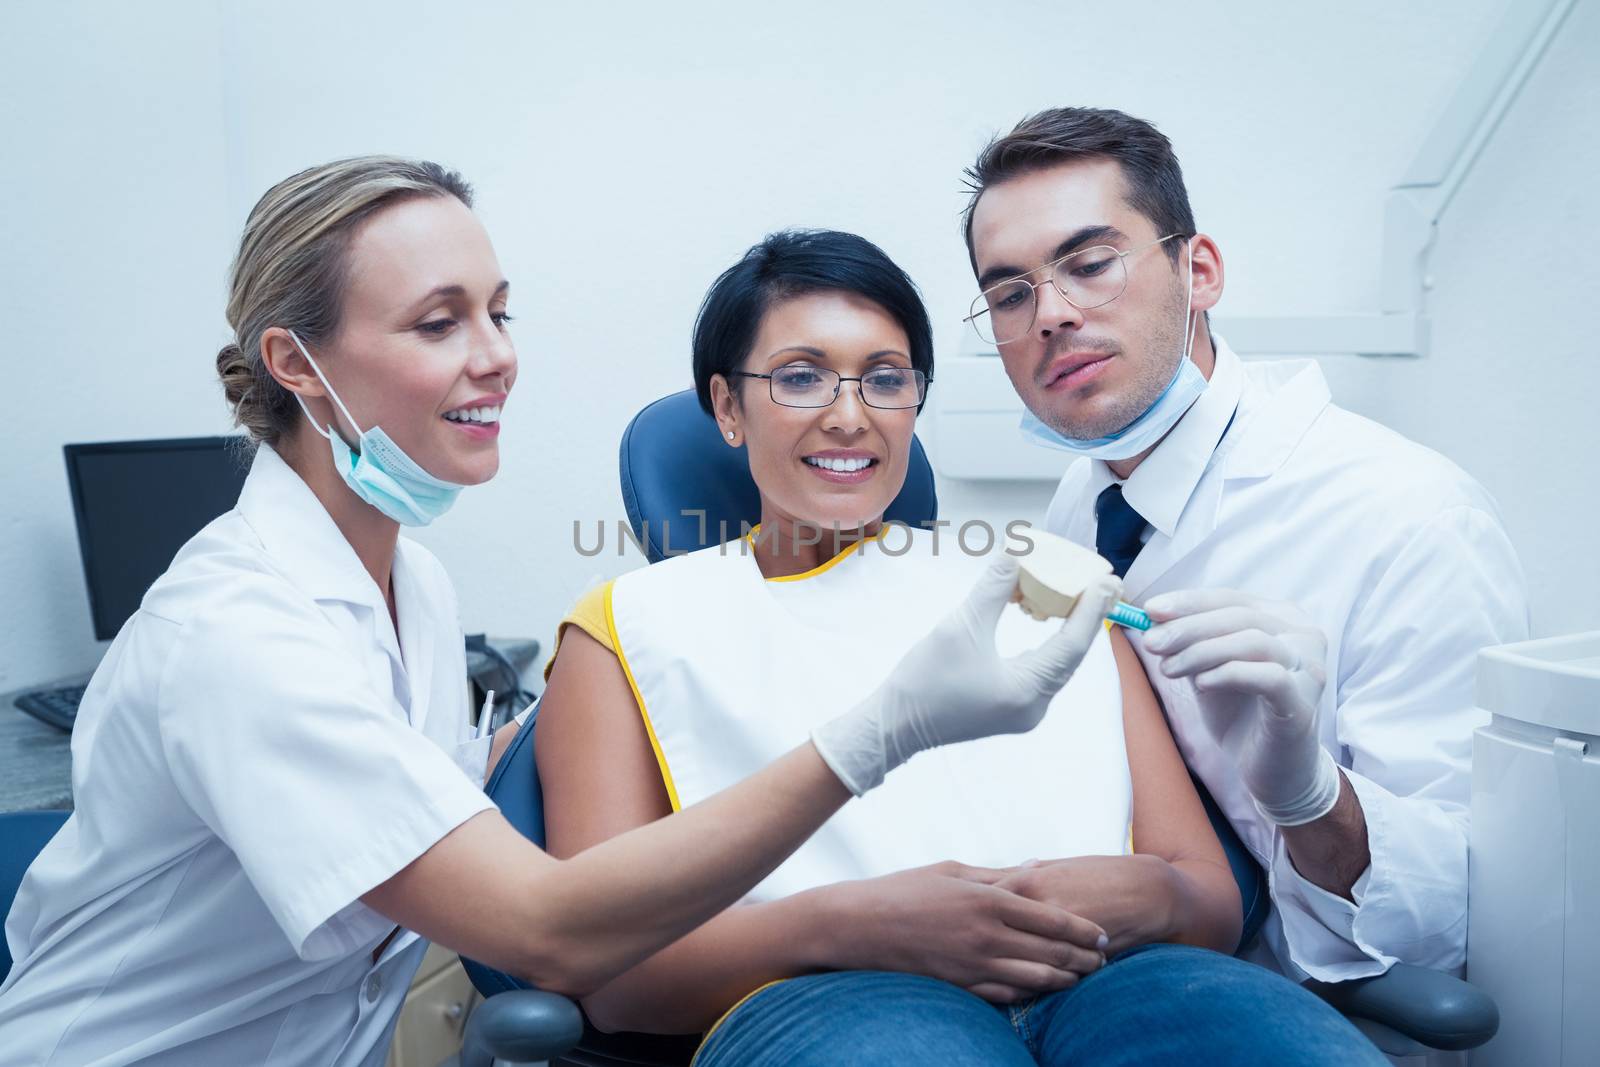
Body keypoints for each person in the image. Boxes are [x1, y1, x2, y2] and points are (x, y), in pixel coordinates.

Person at [0, 159, 1109, 1067]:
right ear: (294, 361)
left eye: (497, 310)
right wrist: (884, 730)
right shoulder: (238, 634)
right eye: (439, 323)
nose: (497, 356)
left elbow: (407, 795)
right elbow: (547, 925)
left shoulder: (412, 585)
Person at [535, 229, 1385, 1065]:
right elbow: (608, 969)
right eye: (799, 377)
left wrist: (1154, 892)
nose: (848, 415)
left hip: (1118, 974)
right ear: (727, 407)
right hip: (832, 994)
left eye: (885, 378)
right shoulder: (629, 626)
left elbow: (1205, 898)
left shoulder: (1050, 580)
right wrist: (852, 925)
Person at [961, 106, 1529, 985]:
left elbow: (1458, 922)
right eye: (1010, 292)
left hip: (1296, 996)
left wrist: (1310, 795)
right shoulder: (1085, 498)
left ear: (1201, 270)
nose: (1052, 314)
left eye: (1091, 264)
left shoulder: (1410, 517)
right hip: (1117, 971)